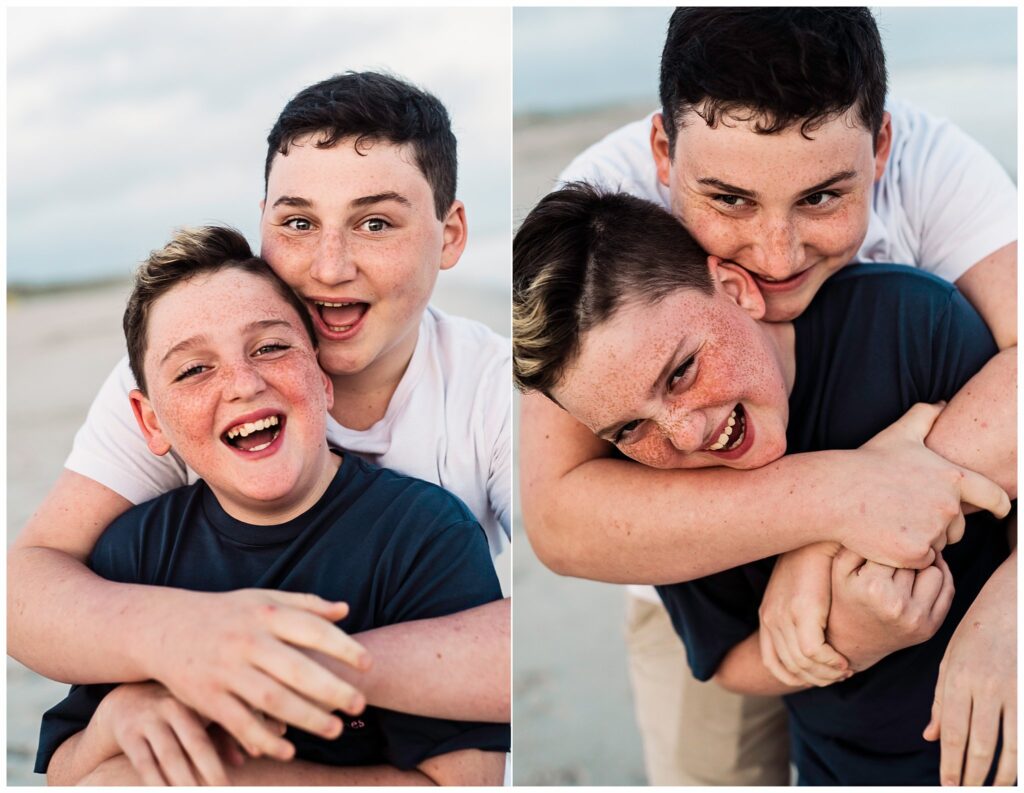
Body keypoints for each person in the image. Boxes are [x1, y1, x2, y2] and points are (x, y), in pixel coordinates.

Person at [519, 8, 1016, 785]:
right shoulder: (599, 221)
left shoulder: (935, 182)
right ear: (662, 154)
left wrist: (834, 539)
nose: (776, 255)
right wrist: (835, 499)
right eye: (730, 201)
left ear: (880, 147)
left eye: (821, 199)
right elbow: (557, 519)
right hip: (686, 556)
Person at [9, 71, 511, 764]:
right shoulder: (181, 389)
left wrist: (264, 668)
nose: (330, 267)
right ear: (264, 223)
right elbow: (28, 587)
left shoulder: (492, 393)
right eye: (299, 223)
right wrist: (172, 644)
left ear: (450, 234)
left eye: (375, 222)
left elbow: (537, 630)